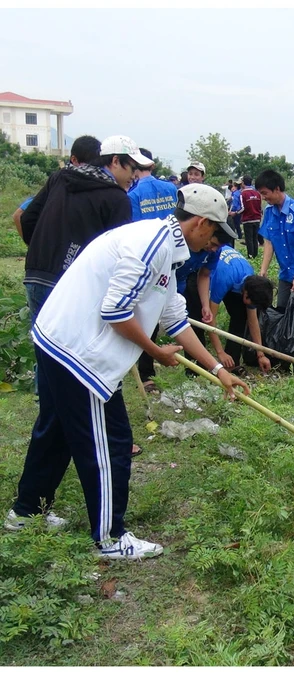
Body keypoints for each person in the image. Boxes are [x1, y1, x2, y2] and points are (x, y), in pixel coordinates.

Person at [5, 184, 248, 559]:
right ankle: (110, 538)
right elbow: (115, 311)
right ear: (200, 223)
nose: (216, 245)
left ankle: (25, 513)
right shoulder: (151, 244)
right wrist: (155, 352)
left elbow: (174, 318)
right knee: (110, 443)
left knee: (55, 431)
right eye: (216, 235)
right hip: (78, 352)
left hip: (58, 339)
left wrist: (217, 369)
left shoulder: (171, 250)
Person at [21, 135, 146, 328]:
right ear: (114, 161)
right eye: (132, 168)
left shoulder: (60, 178)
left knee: (43, 345)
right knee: (69, 352)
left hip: (36, 276)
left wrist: (41, 251)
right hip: (74, 285)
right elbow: (119, 255)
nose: (135, 175)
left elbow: (27, 218)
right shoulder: (117, 199)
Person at [128, 148, 179, 393]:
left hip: (148, 260)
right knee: (172, 309)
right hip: (173, 257)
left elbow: (134, 230)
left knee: (145, 316)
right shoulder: (171, 189)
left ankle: (147, 374)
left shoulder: (133, 194)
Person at [257, 169, 294, 358]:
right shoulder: (269, 212)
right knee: (282, 306)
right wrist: (263, 270)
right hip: (285, 269)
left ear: (276, 189)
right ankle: (283, 345)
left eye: (265, 193)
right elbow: (269, 242)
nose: (263, 197)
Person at [13, 135, 100, 236]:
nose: (93, 170)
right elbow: (18, 215)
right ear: (74, 160)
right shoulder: (58, 182)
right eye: (90, 164)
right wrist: (32, 244)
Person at [206, 246, 272, 373]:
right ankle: (201, 362)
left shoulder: (252, 282)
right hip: (207, 267)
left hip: (234, 279)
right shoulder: (223, 279)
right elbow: (210, 319)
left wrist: (261, 354)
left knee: (241, 317)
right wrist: (220, 352)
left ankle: (232, 362)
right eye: (251, 303)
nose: (251, 306)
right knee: (200, 315)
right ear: (245, 294)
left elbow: (253, 321)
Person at [128, 148, 177, 222]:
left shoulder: (133, 195)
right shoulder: (171, 187)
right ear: (152, 165)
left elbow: (135, 226)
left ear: (134, 164)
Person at [240, 174, 263, 259]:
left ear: (243, 183)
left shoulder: (243, 194)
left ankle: (250, 255)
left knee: (249, 238)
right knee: (255, 237)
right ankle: (255, 254)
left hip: (247, 219)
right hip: (257, 218)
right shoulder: (257, 193)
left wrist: (236, 213)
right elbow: (260, 207)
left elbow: (243, 207)